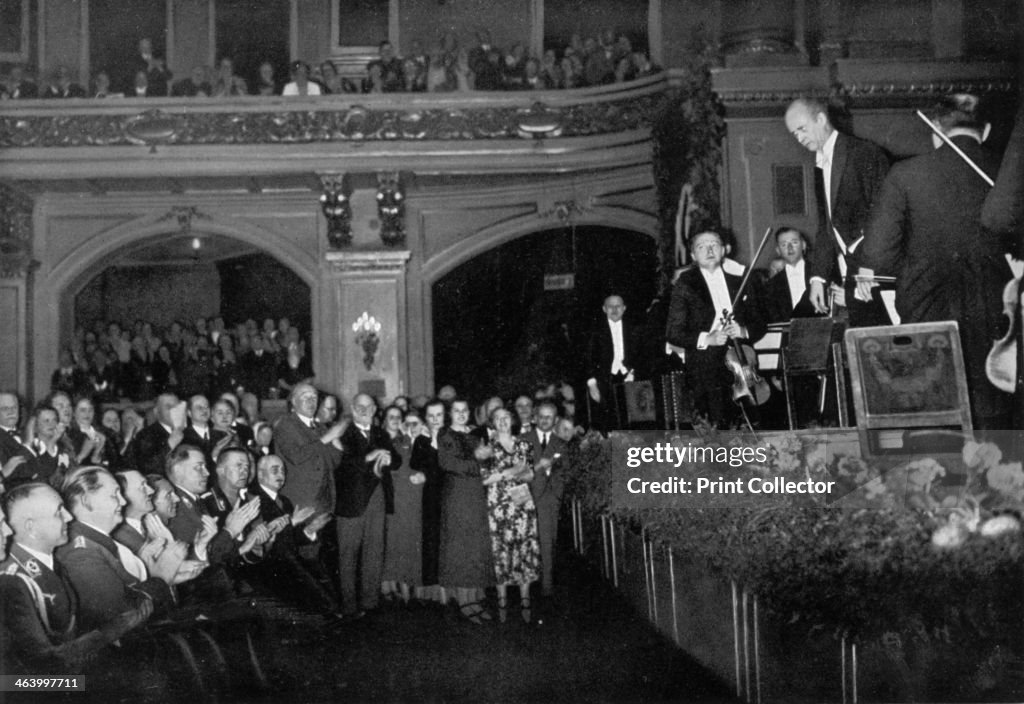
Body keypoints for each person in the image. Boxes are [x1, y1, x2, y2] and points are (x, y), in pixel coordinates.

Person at [858, 94, 1015, 430]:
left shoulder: (905, 174)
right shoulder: (1009, 172)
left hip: (930, 316)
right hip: (999, 319)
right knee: (1000, 425)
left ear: (935, 132)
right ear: (984, 131)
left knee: (937, 423)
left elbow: (877, 255)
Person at [0, 483, 151, 673]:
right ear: (31, 527)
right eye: (58, 512)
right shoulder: (12, 581)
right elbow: (31, 677)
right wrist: (110, 632)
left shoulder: (52, 563)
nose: (69, 517)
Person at [784, 97, 891, 326]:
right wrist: (817, 278)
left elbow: (884, 217)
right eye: (795, 134)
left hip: (875, 270)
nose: (800, 138)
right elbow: (827, 226)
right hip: (854, 272)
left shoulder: (864, 152)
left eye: (802, 129)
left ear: (821, 119)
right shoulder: (819, 164)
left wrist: (868, 266)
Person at [665, 231, 767, 428]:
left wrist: (743, 331)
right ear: (693, 256)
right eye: (702, 246)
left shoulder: (741, 279)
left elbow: (760, 321)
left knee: (749, 421)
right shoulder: (685, 283)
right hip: (706, 366)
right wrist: (706, 339)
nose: (710, 249)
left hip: (741, 361)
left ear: (723, 250)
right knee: (714, 425)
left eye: (714, 244)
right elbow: (673, 332)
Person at [249, 454, 338, 617]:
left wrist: (310, 530)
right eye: (275, 471)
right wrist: (293, 522)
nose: (281, 475)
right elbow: (264, 540)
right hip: (271, 565)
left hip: (290, 560)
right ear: (260, 474)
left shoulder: (284, 501)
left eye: (283, 471)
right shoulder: (253, 500)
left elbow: (292, 538)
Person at [334, 393, 397, 618]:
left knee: (374, 551)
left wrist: (389, 458)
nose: (363, 409)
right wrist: (370, 457)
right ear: (352, 408)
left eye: (368, 406)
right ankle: (349, 606)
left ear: (374, 410)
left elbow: (396, 459)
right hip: (351, 501)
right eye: (359, 406)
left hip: (377, 498)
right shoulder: (343, 432)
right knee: (348, 554)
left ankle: (370, 603)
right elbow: (341, 463)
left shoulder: (380, 433)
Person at [478, 408, 540, 623]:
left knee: (524, 546)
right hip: (498, 504)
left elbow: (530, 474)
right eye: (498, 418)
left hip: (522, 501)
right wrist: (510, 472)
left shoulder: (524, 445)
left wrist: (516, 473)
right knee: (501, 549)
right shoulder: (487, 448)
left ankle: (525, 599)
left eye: (506, 417)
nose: (503, 421)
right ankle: (502, 599)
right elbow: (484, 479)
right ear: (492, 422)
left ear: (512, 420)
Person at [437, 398, 494, 623]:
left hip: (477, 497)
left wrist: (485, 462)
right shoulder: (446, 435)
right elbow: (449, 464)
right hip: (458, 498)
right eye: (456, 411)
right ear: (450, 414)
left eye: (464, 411)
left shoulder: (474, 433)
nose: (461, 415)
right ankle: (464, 602)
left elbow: (488, 463)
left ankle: (474, 599)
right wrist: (478, 462)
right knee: (461, 550)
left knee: (475, 549)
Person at [273, 383, 345, 517]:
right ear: (294, 401)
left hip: (323, 502)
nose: (311, 401)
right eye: (305, 397)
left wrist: (336, 439)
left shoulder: (320, 427)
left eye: (314, 397)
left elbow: (333, 462)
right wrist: (328, 437)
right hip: (300, 503)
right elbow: (296, 456)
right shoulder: (286, 424)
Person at [522, 401, 567, 599]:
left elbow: (566, 471)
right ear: (534, 418)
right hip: (528, 497)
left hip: (549, 499)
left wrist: (557, 493)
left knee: (548, 542)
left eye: (549, 417)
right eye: (541, 416)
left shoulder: (561, 442)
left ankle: (546, 589)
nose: (545, 420)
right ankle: (526, 588)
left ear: (555, 420)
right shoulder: (523, 439)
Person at [381, 407, 424, 605]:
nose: (397, 421)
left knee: (410, 541)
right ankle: (396, 587)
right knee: (395, 542)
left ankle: (409, 586)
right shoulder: (390, 441)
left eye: (400, 418)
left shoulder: (414, 441)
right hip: (396, 498)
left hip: (414, 498)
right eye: (392, 417)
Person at [585, 295, 644, 430]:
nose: (614, 310)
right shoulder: (594, 330)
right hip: (605, 379)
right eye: (610, 307)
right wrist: (592, 384)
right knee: (607, 421)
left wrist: (633, 373)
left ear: (624, 308)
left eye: (618, 306)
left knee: (633, 420)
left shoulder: (635, 328)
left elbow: (642, 354)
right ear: (604, 309)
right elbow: (588, 358)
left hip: (630, 377)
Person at [411, 399, 445, 599]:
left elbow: (447, 466)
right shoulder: (422, 440)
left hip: (451, 494)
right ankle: (434, 592)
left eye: (439, 415)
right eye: (431, 416)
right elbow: (416, 462)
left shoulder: (452, 437)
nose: (435, 419)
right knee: (432, 541)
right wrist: (426, 440)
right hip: (431, 497)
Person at [764, 227, 819, 323]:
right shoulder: (772, 285)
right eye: (784, 245)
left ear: (804, 245)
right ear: (778, 250)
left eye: (794, 242)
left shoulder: (819, 274)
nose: (790, 248)